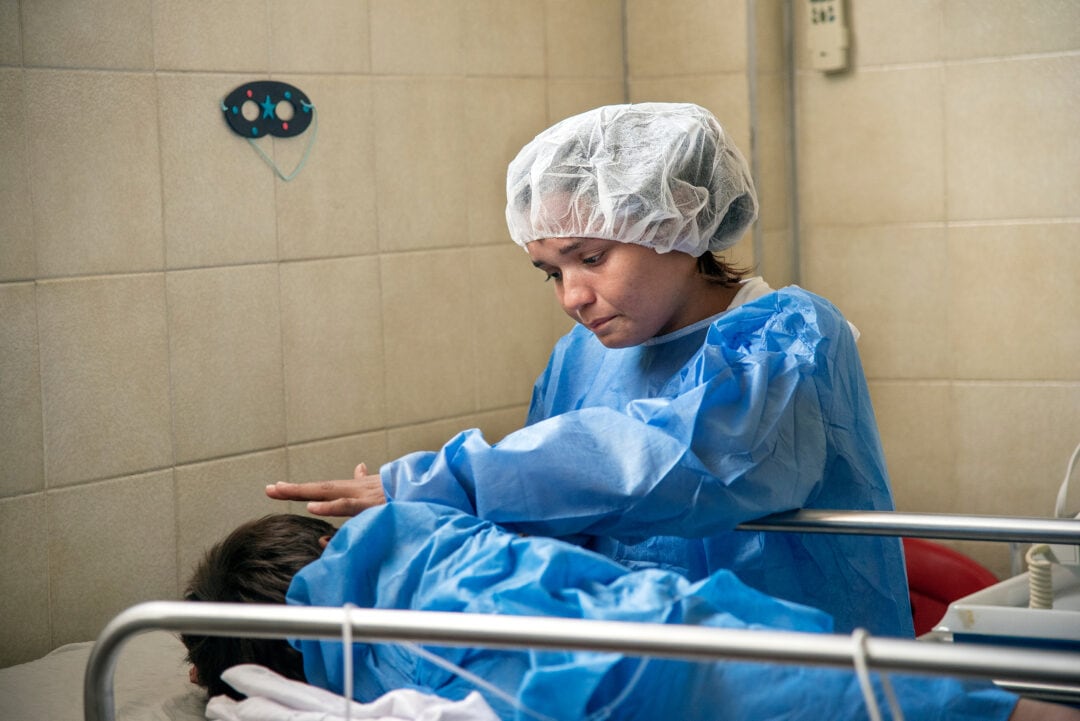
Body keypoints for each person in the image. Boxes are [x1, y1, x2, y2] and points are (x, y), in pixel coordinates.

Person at [267, 102, 910, 638]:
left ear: (675, 222)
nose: (572, 296)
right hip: (638, 676)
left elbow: (683, 464)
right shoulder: (578, 359)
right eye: (552, 272)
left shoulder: (791, 335)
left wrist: (444, 480)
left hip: (803, 669)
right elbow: (540, 510)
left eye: (592, 257)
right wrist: (410, 527)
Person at [183, 505, 1076, 721]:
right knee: (933, 696)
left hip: (677, 658)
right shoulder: (423, 535)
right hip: (711, 626)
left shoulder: (380, 637)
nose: (576, 294)